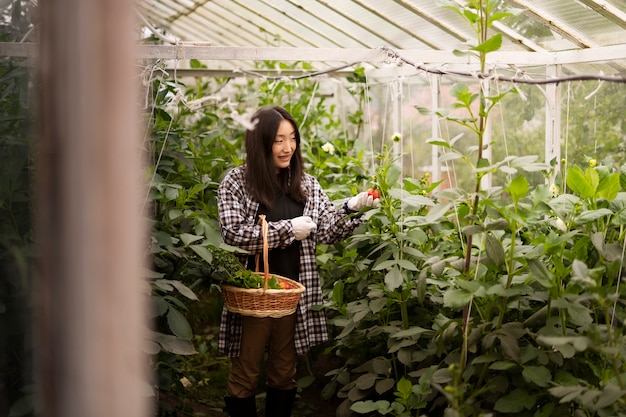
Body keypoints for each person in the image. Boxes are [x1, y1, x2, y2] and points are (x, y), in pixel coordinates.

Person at [217, 105, 379, 417]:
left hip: (293, 297)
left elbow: (328, 230)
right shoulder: (237, 182)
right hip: (254, 296)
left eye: (292, 138)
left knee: (283, 374)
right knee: (245, 375)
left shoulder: (306, 183)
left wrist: (356, 208)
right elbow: (234, 233)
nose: (288, 147)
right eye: (279, 140)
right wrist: (288, 229)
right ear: (260, 142)